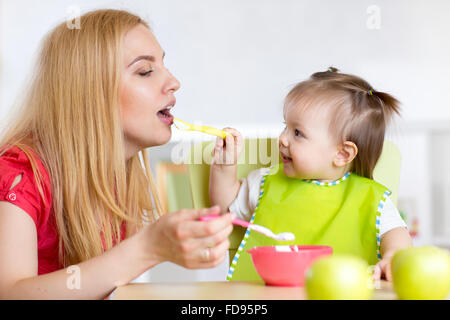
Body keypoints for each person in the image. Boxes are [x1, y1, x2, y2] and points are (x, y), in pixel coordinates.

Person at [0, 9, 234, 299]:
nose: (174, 82)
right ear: (90, 93)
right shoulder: (19, 174)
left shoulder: (118, 178)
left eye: (163, 65)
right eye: (145, 71)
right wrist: (147, 248)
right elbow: (9, 293)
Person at [209, 67, 412, 283]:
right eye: (285, 126)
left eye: (298, 133)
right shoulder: (265, 182)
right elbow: (225, 207)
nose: (282, 139)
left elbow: (396, 234)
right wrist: (224, 166)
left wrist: (392, 257)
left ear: (342, 153)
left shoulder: (371, 198)